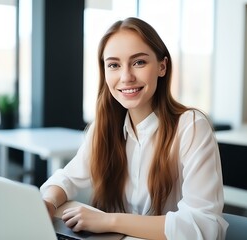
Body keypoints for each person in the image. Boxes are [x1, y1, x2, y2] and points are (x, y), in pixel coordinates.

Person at [40, 17, 228, 240]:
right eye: (114, 65)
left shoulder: (191, 127)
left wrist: (109, 220)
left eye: (138, 62)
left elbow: (202, 226)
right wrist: (49, 203)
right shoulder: (104, 129)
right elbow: (67, 179)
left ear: (162, 66)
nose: (126, 77)